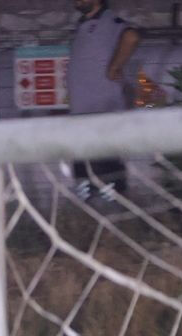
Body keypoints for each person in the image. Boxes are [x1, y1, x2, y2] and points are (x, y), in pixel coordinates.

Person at [67, 0, 141, 197]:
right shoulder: (83, 24)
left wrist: (115, 67)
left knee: (107, 165)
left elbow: (131, 36)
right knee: (85, 166)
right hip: (82, 111)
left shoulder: (109, 22)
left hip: (103, 108)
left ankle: (114, 205)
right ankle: (88, 210)